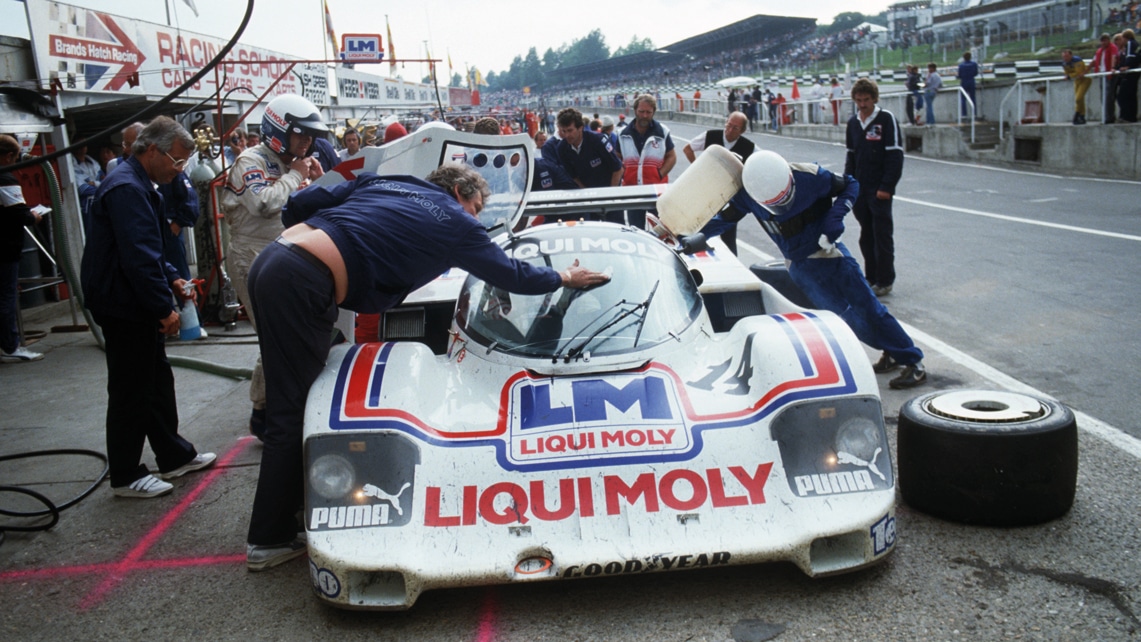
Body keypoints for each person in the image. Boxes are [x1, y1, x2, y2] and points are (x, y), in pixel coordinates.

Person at [244, 164, 610, 570]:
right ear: (458, 192)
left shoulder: (389, 180)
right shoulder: (457, 222)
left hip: (276, 259)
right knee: (292, 409)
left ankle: (289, 509)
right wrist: (563, 276)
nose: (476, 217)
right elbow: (511, 274)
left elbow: (299, 202)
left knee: (294, 395)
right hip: (301, 279)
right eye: (476, 207)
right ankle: (268, 538)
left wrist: (316, 243)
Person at [700, 150, 927, 390]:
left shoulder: (810, 176)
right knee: (845, 320)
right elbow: (723, 220)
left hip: (830, 257)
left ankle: (914, 362)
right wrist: (687, 235)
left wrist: (834, 222)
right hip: (800, 267)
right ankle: (891, 350)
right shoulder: (748, 193)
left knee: (869, 310)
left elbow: (851, 185)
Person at [79, 117, 217, 497]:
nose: (178, 170)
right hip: (122, 302)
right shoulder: (126, 188)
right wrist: (163, 308)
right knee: (130, 387)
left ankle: (173, 454)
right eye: (175, 161)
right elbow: (138, 257)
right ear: (152, 150)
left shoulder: (143, 184)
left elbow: (153, 246)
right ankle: (125, 473)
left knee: (155, 380)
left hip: (131, 296)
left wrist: (173, 277)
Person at [220, 94, 326, 438]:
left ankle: (266, 408)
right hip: (250, 253)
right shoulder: (250, 160)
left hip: (283, 254)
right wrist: (296, 176)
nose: (307, 143)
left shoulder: (292, 163)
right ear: (280, 130)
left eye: (311, 137)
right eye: (302, 135)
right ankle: (264, 413)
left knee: (281, 334)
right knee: (274, 335)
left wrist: (320, 181)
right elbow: (265, 203)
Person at [845, 79, 904, 297]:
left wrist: (887, 186)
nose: (862, 104)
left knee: (882, 236)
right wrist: (849, 184)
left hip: (879, 190)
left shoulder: (886, 119)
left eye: (866, 100)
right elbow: (850, 156)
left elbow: (895, 155)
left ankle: (885, 280)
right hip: (860, 190)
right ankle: (870, 277)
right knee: (866, 235)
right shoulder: (852, 123)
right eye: (859, 100)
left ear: (874, 99)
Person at [681, 111, 755, 255]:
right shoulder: (711, 136)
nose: (729, 130)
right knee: (697, 229)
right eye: (728, 125)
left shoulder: (749, 147)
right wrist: (698, 168)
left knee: (728, 234)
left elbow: (759, 165)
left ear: (743, 131)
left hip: (730, 198)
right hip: (707, 192)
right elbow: (688, 149)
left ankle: (734, 267)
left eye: (735, 128)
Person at [1, 134, 46, 363]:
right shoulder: (6, 179)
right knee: (6, 297)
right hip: (6, 249)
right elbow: (21, 215)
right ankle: (11, 345)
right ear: (9, 156)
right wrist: (34, 216)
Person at [555, 107, 622, 190]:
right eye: (563, 131)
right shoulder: (562, 148)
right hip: (588, 192)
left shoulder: (598, 141)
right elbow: (573, 176)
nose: (567, 135)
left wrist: (611, 194)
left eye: (570, 130)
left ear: (580, 128)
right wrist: (587, 193)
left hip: (608, 188)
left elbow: (618, 169)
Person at [1090, 33, 1119, 124]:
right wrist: (1085, 71)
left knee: (1108, 96)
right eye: (1102, 40)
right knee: (1103, 97)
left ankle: (1109, 117)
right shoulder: (1099, 51)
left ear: (1108, 40)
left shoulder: (1112, 47)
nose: (1103, 42)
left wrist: (1113, 68)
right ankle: (1107, 116)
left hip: (1109, 75)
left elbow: (1114, 57)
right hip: (1102, 75)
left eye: (1105, 40)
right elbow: (1094, 61)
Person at [72, 144, 102, 232]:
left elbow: (106, 183)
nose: (82, 147)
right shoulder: (72, 164)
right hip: (85, 209)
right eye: (79, 143)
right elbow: (83, 189)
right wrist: (101, 187)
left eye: (84, 144)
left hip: (99, 206)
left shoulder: (94, 164)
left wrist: (95, 184)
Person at [1061, 49, 1092, 125]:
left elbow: (1079, 72)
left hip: (1085, 79)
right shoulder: (1064, 63)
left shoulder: (1077, 60)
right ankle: (1082, 115)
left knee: (1079, 98)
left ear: (1071, 55)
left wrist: (1069, 76)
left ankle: (1078, 113)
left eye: (1067, 56)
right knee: (1079, 99)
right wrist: (1067, 75)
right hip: (1077, 80)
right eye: (1064, 57)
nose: (1065, 58)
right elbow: (1066, 72)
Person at [1116, 29, 1139, 123]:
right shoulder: (1136, 44)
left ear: (1125, 37)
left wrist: (1127, 66)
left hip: (1131, 72)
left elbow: (1130, 56)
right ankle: (1132, 116)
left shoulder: (1130, 44)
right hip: (1136, 71)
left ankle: (1126, 116)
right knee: (1132, 95)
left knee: (1122, 95)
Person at [957, 51, 979, 118]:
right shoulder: (974, 64)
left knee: (963, 99)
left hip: (964, 82)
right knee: (973, 98)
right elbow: (976, 73)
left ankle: (964, 114)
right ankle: (974, 113)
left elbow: (959, 75)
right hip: (971, 81)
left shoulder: (961, 65)